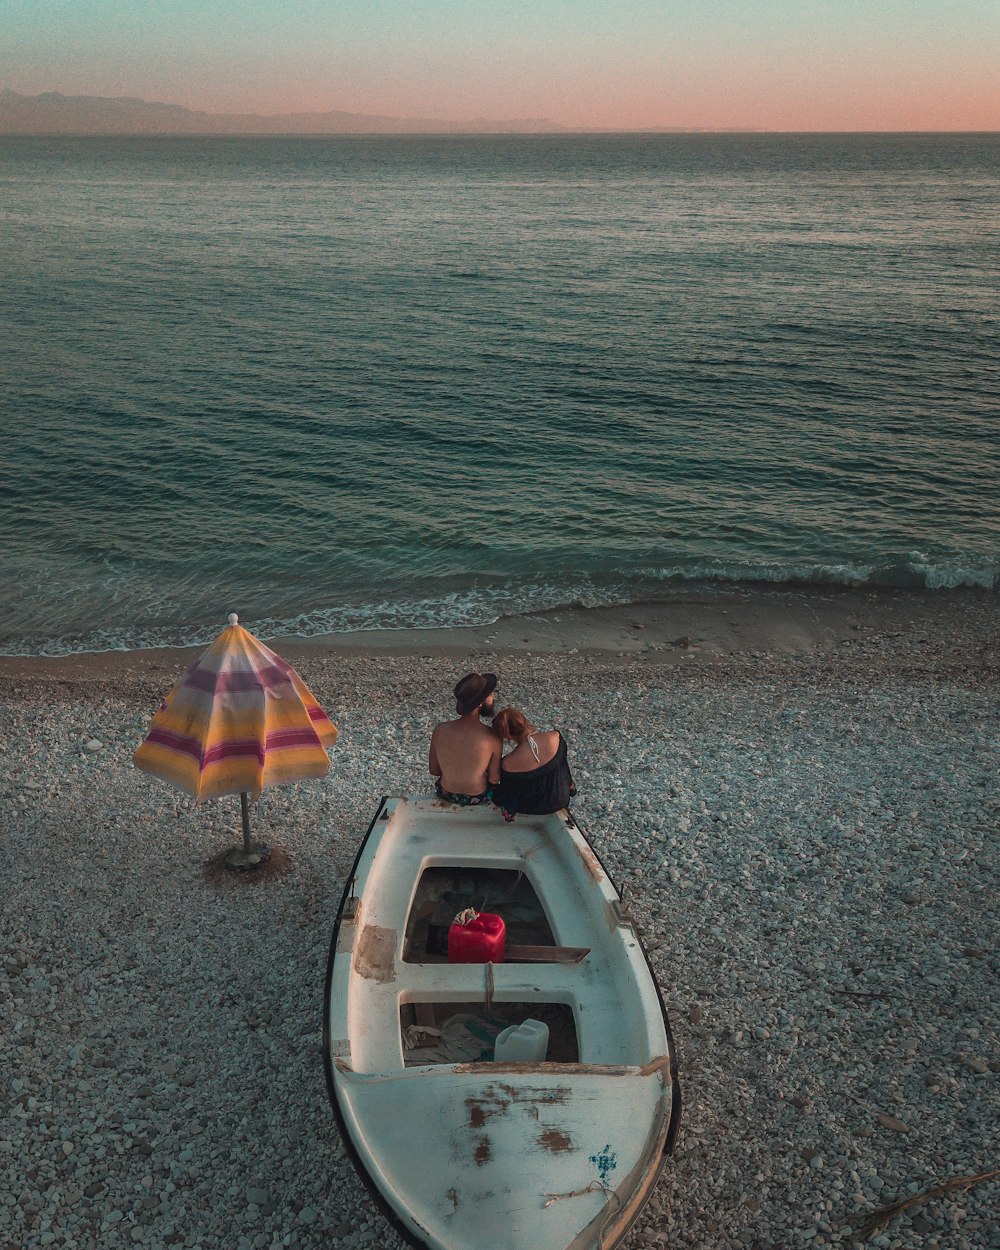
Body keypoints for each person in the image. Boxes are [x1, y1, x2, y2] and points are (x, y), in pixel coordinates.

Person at [491, 707, 576, 823]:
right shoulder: (555, 737)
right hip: (561, 798)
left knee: (499, 792)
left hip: (534, 806)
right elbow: (564, 767)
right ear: (525, 721)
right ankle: (570, 786)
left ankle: (510, 813)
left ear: (508, 736)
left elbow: (507, 790)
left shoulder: (508, 762)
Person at [428, 672, 502, 805]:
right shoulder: (492, 737)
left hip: (446, 793)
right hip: (477, 796)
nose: (493, 696)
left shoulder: (440, 730)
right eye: (490, 694)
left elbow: (434, 770)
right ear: (480, 703)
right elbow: (493, 778)